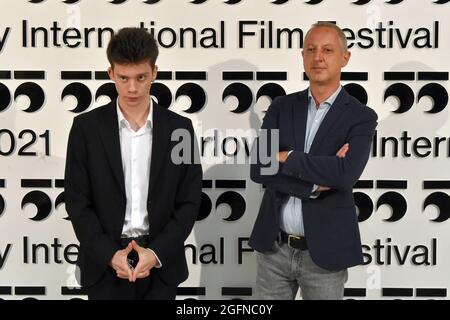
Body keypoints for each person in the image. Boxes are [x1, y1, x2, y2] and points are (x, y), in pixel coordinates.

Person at [64, 27, 202, 300]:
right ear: (110, 74)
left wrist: (155, 253)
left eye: (141, 77)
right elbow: (77, 201)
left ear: (155, 72)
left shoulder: (181, 129)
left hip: (161, 267)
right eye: (123, 77)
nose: (132, 88)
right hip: (104, 267)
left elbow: (189, 201)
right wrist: (108, 254)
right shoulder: (85, 128)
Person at [249, 22, 378, 300]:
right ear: (303, 56)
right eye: (311, 49)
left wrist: (288, 157)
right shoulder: (282, 107)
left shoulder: (361, 116)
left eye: (327, 50)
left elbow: (344, 175)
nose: (318, 57)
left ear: (345, 57)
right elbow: (260, 167)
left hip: (325, 255)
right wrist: (313, 184)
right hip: (274, 248)